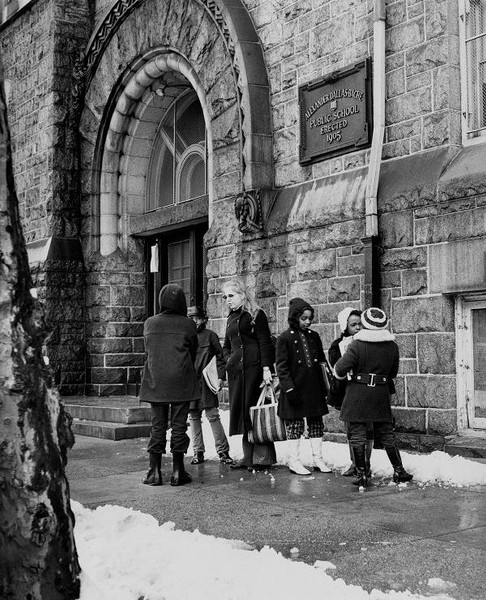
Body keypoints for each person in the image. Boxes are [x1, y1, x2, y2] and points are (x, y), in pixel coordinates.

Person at [334, 307, 413, 488]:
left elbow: (339, 370)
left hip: (358, 394)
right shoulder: (392, 346)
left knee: (358, 435)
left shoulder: (356, 345)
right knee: (387, 433)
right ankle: (399, 470)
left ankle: (362, 474)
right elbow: (392, 373)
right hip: (380, 394)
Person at [139, 283, 200, 487]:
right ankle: (177, 471)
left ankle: (154, 472)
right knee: (179, 426)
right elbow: (193, 352)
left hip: (156, 381)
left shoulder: (150, 323)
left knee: (158, 426)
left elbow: (148, 351)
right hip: (181, 380)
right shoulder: (188, 325)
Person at [222, 279, 277, 471]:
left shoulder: (255, 314)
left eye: (231, 295)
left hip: (254, 369)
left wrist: (266, 369)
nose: (227, 300)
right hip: (237, 372)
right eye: (225, 296)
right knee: (244, 413)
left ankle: (262, 458)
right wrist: (229, 360)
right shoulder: (230, 318)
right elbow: (226, 346)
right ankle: (248, 457)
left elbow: (264, 342)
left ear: (242, 295)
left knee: (256, 411)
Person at [275, 298, 332, 475]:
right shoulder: (284, 338)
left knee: (316, 424)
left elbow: (322, 363)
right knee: (295, 426)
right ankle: (294, 461)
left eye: (309, 318)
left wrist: (326, 386)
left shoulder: (314, 336)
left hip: (313, 388)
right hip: (295, 389)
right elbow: (282, 366)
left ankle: (318, 459)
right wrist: (289, 388)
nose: (307, 322)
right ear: (294, 318)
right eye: (303, 318)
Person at [328, 307, 372, 477]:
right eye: (354, 324)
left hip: (366, 391)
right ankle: (355, 462)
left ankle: (365, 464)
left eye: (360, 324)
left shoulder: (368, 343)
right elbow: (336, 366)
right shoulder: (337, 345)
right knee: (351, 430)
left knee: (367, 429)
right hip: (347, 392)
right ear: (345, 326)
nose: (358, 328)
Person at [186, 305, 233, 465]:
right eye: (190, 318)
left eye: (196, 318)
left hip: (206, 382)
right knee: (193, 417)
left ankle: (223, 452)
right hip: (191, 382)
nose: (194, 322)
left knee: (213, 416)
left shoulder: (210, 336)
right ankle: (198, 452)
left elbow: (220, 358)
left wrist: (220, 377)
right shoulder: (185, 337)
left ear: (204, 320)